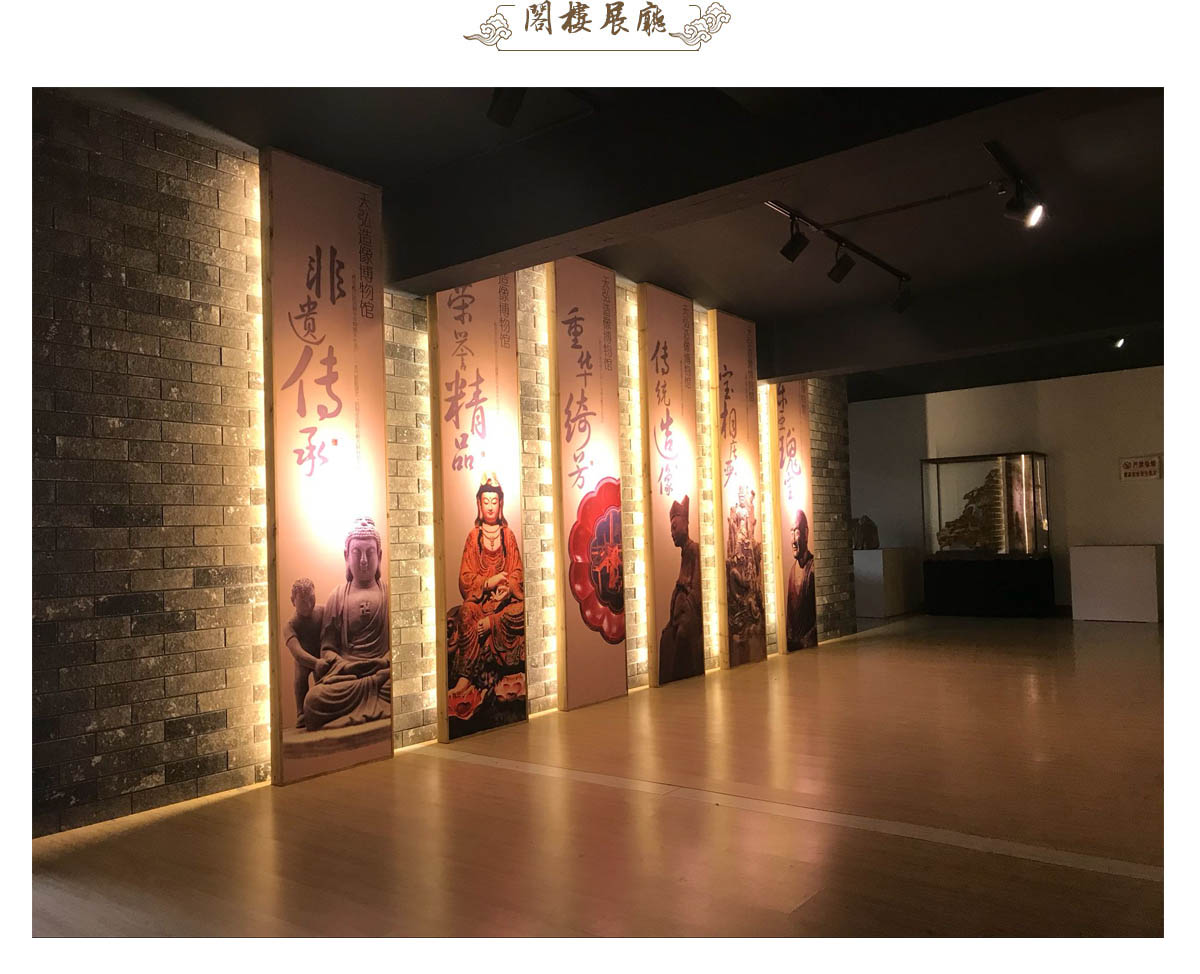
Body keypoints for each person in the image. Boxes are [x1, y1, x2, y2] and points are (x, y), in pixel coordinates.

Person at [447, 474, 526, 729]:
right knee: (466, 612)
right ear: (479, 504)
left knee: (522, 610)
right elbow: (465, 577)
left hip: (504, 605)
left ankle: (492, 624)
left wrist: (508, 587)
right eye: (486, 501)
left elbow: (518, 572)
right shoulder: (474, 537)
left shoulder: (508, 535)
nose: (490, 507)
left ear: (500, 504)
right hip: (481, 600)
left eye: (494, 501)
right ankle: (465, 677)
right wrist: (489, 582)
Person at [301, 516, 391, 731]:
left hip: (384, 674)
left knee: (408, 685)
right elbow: (327, 648)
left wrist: (384, 661)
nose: (363, 560)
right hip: (348, 675)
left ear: (379, 556)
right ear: (346, 556)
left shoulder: (390, 594)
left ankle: (366, 708)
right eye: (356, 552)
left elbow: (401, 644)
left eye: (370, 552)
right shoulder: (338, 596)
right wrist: (344, 664)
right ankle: (378, 708)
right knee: (313, 701)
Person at [658, 495, 704, 683]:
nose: (672, 533)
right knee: (666, 637)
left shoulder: (694, 550)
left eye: (674, 527)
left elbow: (697, 585)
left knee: (682, 635)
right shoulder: (685, 553)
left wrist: (686, 605)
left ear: (685, 524)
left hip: (689, 615)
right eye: (671, 529)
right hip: (679, 614)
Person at [283, 578, 323, 727]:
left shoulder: (322, 612)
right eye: (303, 601)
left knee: (323, 684)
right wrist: (315, 663)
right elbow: (297, 653)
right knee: (300, 680)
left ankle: (321, 709)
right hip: (304, 661)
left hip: (322, 656)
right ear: (293, 601)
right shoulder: (290, 625)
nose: (308, 604)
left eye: (311, 599)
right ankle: (301, 713)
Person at [786, 508, 818, 651]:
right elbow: (789, 619)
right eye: (791, 532)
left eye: (797, 532)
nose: (793, 540)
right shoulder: (792, 572)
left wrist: (803, 642)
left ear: (806, 534)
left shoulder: (813, 569)